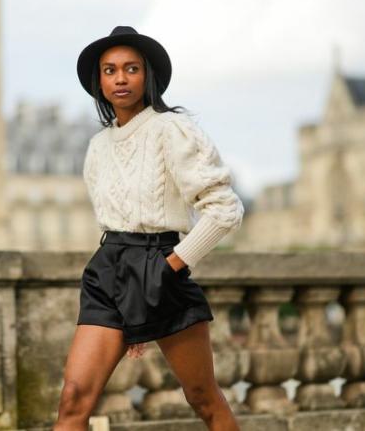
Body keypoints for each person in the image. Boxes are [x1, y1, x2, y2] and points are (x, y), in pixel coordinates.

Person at [53, 26, 244, 431]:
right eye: (109, 70)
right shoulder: (96, 147)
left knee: (203, 398)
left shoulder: (172, 131)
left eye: (131, 68)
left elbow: (225, 209)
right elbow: (115, 219)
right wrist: (129, 303)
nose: (120, 79)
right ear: (98, 81)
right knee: (73, 398)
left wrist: (169, 267)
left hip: (160, 265)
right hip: (108, 270)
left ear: (148, 75)